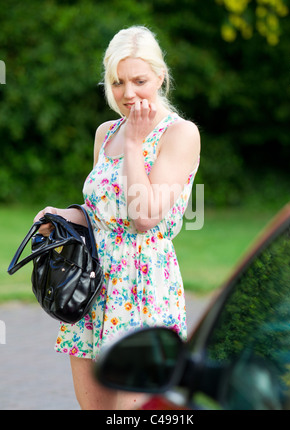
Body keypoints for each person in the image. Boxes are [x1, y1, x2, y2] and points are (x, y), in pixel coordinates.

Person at [34, 25, 201, 410]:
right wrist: (63, 216)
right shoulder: (106, 132)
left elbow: (144, 217)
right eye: (117, 81)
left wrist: (134, 143)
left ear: (160, 76)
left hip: (142, 289)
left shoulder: (180, 134)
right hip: (93, 287)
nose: (128, 93)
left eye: (139, 80)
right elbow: (99, 214)